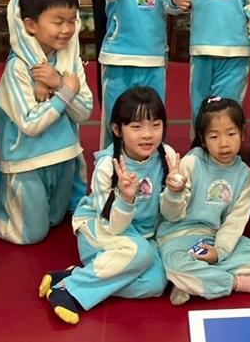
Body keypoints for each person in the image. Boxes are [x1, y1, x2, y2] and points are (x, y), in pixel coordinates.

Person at [39, 87, 177, 324]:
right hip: (100, 231)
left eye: (156, 125)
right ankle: (67, 290)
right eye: (136, 127)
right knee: (141, 253)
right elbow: (113, 227)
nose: (148, 134)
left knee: (155, 284)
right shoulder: (107, 166)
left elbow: (172, 215)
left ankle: (77, 276)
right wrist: (126, 199)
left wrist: (175, 193)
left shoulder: (168, 157)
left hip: (141, 237)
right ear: (117, 129)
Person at [0, 0, 94, 244]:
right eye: (58, 22)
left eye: (72, 21)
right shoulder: (18, 67)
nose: (66, 30)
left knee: (55, 220)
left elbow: (84, 112)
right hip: (27, 163)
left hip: (64, 157)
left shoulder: (68, 61)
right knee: (30, 234)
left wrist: (57, 83)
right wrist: (65, 92)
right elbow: (30, 123)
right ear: (30, 25)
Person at [157, 98, 250, 306]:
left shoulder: (244, 174)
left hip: (211, 238)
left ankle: (193, 280)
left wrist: (219, 252)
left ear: (242, 134)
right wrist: (174, 192)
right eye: (214, 136)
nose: (224, 143)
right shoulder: (191, 162)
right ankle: (238, 283)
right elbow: (169, 215)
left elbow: (235, 221)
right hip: (176, 238)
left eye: (231, 134)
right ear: (203, 139)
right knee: (176, 265)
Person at [99, 0, 172, 144]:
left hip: (153, 61)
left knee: (153, 114)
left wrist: (177, 1)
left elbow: (165, 12)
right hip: (119, 59)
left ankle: (152, 158)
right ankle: (110, 158)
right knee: (115, 115)